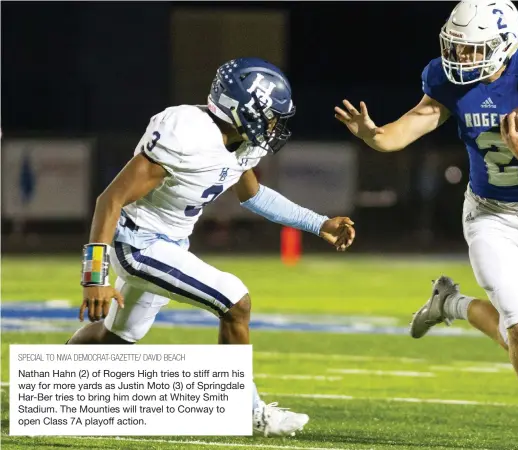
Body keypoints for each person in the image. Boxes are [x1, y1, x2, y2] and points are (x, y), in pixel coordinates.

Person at [334, 1, 518, 448]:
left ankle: (449, 304)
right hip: (489, 215)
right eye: (457, 48)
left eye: (474, 50)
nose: (462, 58)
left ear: (506, 45)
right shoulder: (447, 82)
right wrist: (373, 135)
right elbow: (407, 127)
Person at [68, 57, 356, 437]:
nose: (274, 125)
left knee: (116, 336)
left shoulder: (239, 143)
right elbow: (110, 199)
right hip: (137, 242)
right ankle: (246, 410)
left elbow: (254, 196)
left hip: (170, 244)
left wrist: (318, 224)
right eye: (269, 115)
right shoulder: (187, 134)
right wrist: (94, 278)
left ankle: (51, 390)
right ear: (242, 109)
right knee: (235, 301)